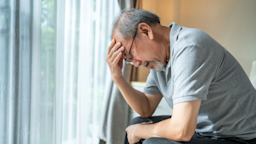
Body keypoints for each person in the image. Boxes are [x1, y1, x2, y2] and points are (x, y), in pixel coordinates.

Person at [106, 8, 256, 144]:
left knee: (152, 142)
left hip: (239, 138)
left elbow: (182, 130)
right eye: (129, 61)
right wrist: (118, 78)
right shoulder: (159, 61)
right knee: (136, 124)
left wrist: (141, 131)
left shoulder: (190, 46)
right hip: (203, 131)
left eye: (130, 55)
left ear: (145, 31)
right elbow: (146, 108)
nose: (136, 63)